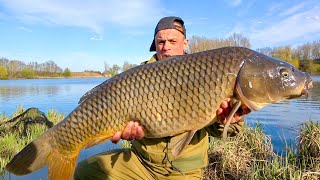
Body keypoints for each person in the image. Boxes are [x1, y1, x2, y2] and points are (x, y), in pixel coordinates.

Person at [74, 16, 248, 179]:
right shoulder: (137, 78)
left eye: (173, 41)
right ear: (155, 45)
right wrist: (126, 131)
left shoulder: (208, 73)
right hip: (141, 163)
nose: (166, 47)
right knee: (84, 171)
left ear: (185, 43)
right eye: (161, 42)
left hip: (185, 170)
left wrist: (229, 119)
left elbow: (228, 132)